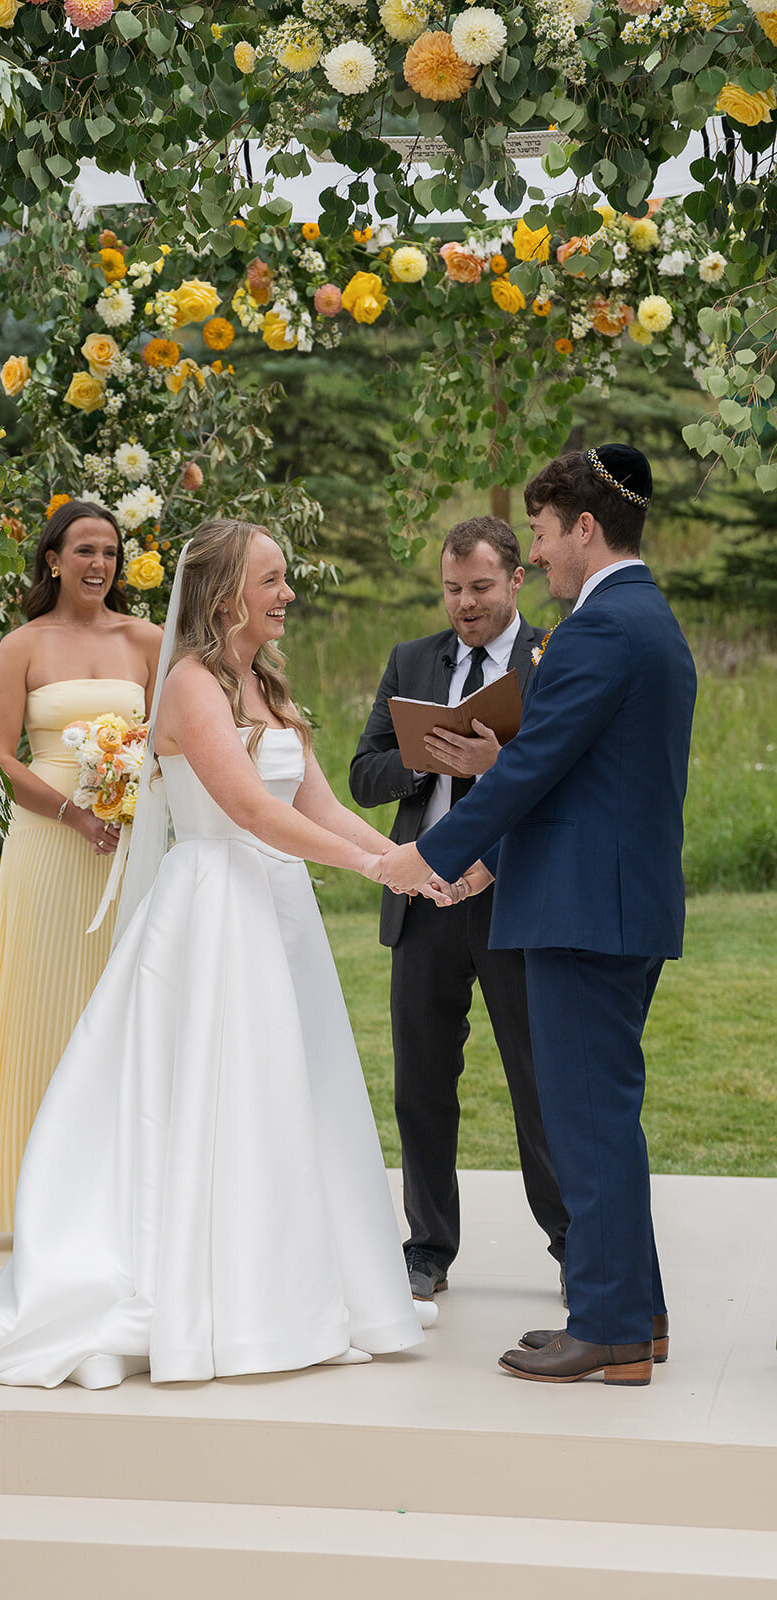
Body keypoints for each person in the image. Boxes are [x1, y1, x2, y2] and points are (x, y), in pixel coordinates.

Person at [0, 520, 427, 1392]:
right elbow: (246, 809)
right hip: (216, 908)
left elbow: (315, 803)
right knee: (220, 1092)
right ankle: (221, 1293)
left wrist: (415, 867)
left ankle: (305, 1276)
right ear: (224, 596)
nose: (287, 594)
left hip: (278, 914)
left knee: (296, 1087)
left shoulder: (266, 684)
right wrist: (376, 865)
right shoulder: (191, 686)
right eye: (273, 580)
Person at [378, 445, 696, 1386]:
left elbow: (530, 768)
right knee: (600, 1119)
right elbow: (580, 783)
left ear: (583, 529)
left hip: (581, 916)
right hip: (600, 904)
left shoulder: (603, 628)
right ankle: (636, 1316)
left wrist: (424, 856)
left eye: (547, 535)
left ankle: (603, 1326)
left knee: (586, 1123)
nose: (543, 556)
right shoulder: (640, 619)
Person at [350, 517, 567, 1302]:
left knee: (535, 1081)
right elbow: (361, 773)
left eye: (478, 588)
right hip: (423, 898)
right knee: (420, 1084)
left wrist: (495, 762)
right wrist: (425, 756)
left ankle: (574, 1249)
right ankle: (427, 1248)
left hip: (515, 898)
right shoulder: (412, 660)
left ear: (514, 580)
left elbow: (563, 775)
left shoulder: (554, 657)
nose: (463, 604)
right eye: (451, 589)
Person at [0, 501, 161, 1233]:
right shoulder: (24, 645)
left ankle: (116, 1195)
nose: (98, 564)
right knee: (43, 1004)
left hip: (129, 851)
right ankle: (31, 1196)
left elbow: (177, 741)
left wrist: (138, 797)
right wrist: (74, 813)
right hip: (48, 843)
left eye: (109, 552)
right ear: (52, 559)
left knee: (120, 1007)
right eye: (83, 551)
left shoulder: (148, 641)